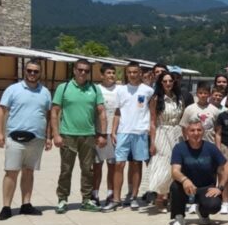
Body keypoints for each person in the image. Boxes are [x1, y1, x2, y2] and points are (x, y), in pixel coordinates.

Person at [0, 58, 52, 220]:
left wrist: (48, 137)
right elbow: (1, 111)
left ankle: (26, 204)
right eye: (29, 71)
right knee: (11, 172)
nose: (32, 74)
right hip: (15, 138)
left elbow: (48, 116)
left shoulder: (45, 92)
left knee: (29, 171)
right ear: (24, 71)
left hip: (37, 139)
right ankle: (6, 207)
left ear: (40, 73)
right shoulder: (13, 89)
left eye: (35, 71)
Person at [51, 58, 107, 214]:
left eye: (86, 70)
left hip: (88, 135)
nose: (83, 73)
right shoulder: (64, 87)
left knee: (88, 170)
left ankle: (87, 199)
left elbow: (101, 111)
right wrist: (56, 134)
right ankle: (62, 199)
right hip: (68, 135)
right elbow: (54, 111)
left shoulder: (95, 89)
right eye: (80, 69)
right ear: (74, 70)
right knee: (66, 169)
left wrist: (102, 134)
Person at [107, 61, 156, 212]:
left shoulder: (148, 91)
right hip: (123, 131)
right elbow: (117, 112)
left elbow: (152, 114)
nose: (133, 75)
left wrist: (150, 133)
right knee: (119, 164)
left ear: (140, 73)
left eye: (135, 72)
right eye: (130, 72)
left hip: (140, 132)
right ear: (126, 73)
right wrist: (114, 131)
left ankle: (134, 197)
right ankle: (116, 198)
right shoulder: (120, 90)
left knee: (136, 164)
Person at [168, 119, 228, 225]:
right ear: (186, 132)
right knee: (175, 186)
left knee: (214, 205)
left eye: (199, 130)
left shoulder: (211, 148)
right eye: (192, 130)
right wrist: (185, 180)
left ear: (203, 132)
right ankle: (179, 216)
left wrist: (220, 187)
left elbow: (227, 167)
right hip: (186, 187)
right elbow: (175, 171)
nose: (196, 133)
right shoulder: (179, 148)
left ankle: (203, 212)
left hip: (206, 187)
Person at [147, 71, 185, 209]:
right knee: (162, 164)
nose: (168, 83)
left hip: (177, 132)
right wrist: (152, 141)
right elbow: (152, 121)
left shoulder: (179, 98)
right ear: (160, 83)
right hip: (162, 132)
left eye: (170, 81)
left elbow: (182, 119)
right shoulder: (156, 99)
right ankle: (159, 197)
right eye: (165, 81)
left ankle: (171, 196)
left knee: (176, 164)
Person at [92, 63, 119, 205]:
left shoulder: (119, 90)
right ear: (102, 75)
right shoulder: (96, 89)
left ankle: (110, 193)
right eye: (108, 73)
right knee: (96, 166)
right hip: (98, 132)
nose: (111, 76)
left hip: (113, 134)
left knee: (112, 166)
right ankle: (94, 194)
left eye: (113, 73)